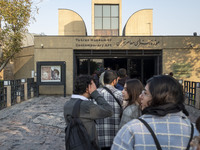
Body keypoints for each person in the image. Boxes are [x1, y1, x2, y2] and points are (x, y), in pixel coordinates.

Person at [112, 75, 198, 150]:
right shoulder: (194, 131)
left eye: (145, 93)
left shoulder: (132, 129)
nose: (140, 96)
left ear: (158, 98)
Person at [63, 75, 113, 148]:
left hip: (74, 144)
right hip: (88, 145)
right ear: (87, 89)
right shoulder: (86, 105)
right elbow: (109, 110)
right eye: (94, 86)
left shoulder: (67, 104)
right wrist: (95, 94)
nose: (95, 88)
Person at [96, 70, 123, 150]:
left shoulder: (95, 94)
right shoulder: (120, 94)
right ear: (115, 81)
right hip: (115, 137)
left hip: (98, 137)